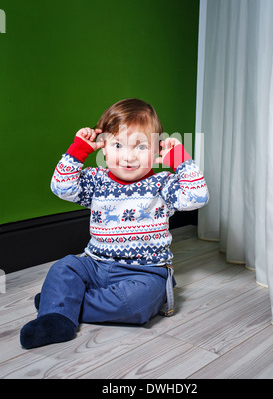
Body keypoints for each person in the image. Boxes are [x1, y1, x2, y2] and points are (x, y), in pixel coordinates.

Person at [20, 98, 209, 349]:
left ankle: (61, 302)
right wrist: (78, 151)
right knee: (64, 267)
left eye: (141, 147)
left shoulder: (163, 184)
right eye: (118, 145)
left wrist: (182, 163)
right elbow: (61, 186)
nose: (129, 156)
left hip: (144, 271)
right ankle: (55, 319)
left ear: (156, 152)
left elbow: (198, 196)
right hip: (96, 265)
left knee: (138, 303)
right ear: (104, 149)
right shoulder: (97, 180)